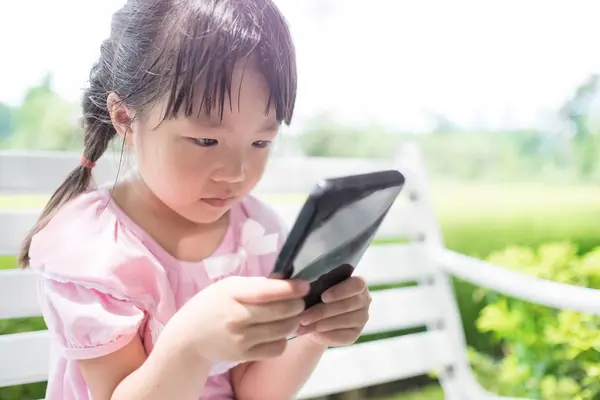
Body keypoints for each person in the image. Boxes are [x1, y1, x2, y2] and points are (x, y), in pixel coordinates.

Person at [19, 0, 372, 399]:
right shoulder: (90, 249)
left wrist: (313, 333)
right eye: (206, 140)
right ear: (125, 119)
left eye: (261, 142)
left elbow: (252, 391)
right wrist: (191, 345)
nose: (236, 172)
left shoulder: (257, 232)